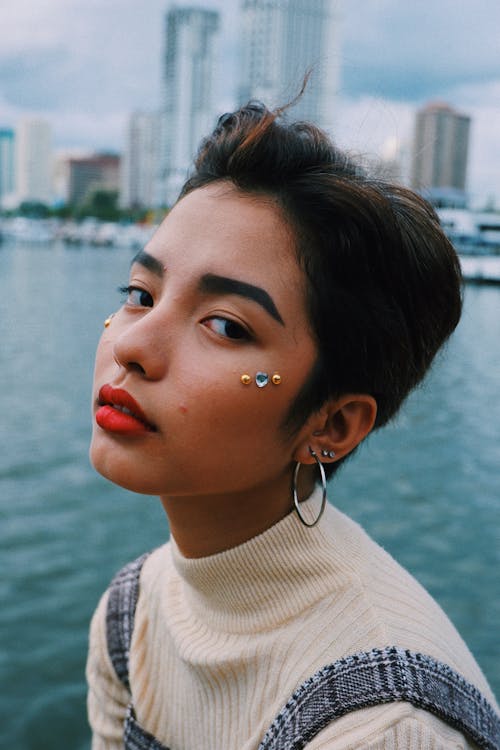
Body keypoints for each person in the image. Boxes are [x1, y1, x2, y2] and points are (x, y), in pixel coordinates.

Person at [86, 100, 499, 750]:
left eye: (226, 325)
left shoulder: (385, 728)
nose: (134, 346)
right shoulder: (131, 611)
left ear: (332, 423)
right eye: (141, 294)